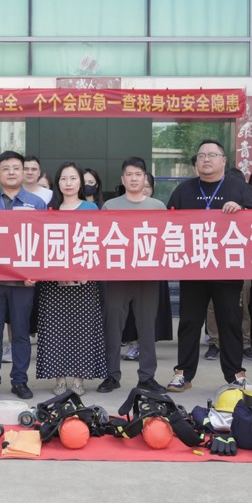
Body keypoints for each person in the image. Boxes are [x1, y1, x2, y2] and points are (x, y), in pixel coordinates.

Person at [165, 140, 252, 392]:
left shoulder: (239, 188)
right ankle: (183, 373)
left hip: (228, 269)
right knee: (189, 322)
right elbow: (167, 225)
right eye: (202, 155)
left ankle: (235, 373)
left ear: (223, 160)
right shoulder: (183, 190)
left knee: (230, 321)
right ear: (196, 162)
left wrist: (242, 209)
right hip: (193, 268)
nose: (206, 159)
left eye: (212, 155)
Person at [0, 151, 45, 400]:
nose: (12, 172)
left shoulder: (36, 203)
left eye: (16, 168)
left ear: (23, 172)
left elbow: (42, 240)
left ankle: (20, 380)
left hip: (23, 281)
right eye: (6, 169)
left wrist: (35, 272)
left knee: (21, 333)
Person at [34, 162, 106, 395]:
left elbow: (97, 244)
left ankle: (78, 381)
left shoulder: (90, 209)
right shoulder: (49, 210)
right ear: (58, 183)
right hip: (53, 284)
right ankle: (60, 380)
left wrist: (85, 272)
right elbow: (41, 245)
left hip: (84, 282)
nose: (68, 183)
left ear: (80, 183)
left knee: (82, 331)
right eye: (64, 178)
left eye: (73, 178)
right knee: (56, 331)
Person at [100, 157, 167, 393]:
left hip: (147, 276)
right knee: (113, 326)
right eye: (129, 174)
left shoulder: (157, 206)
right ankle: (111, 375)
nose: (134, 178)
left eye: (138, 174)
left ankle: (147, 376)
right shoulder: (110, 206)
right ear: (122, 179)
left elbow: (165, 240)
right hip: (117, 276)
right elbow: (102, 240)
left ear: (145, 178)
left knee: (147, 328)